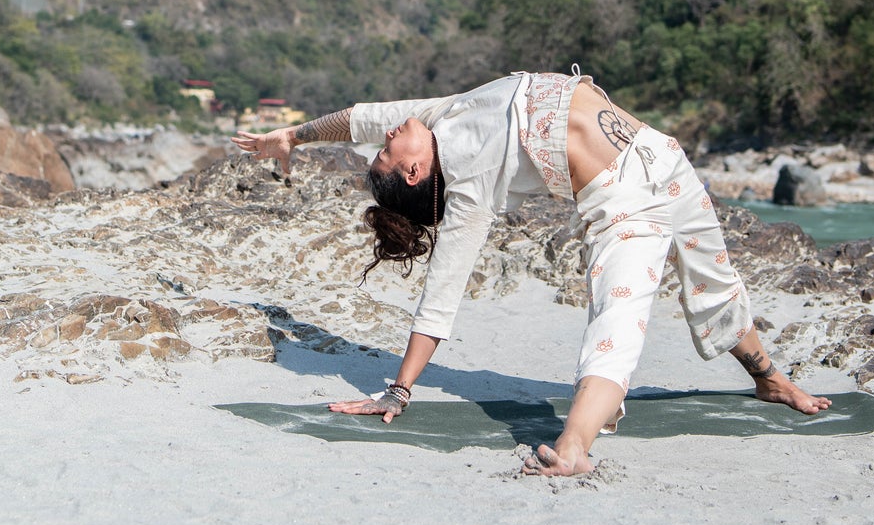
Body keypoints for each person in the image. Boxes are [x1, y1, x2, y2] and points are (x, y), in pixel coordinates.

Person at [233, 69, 830, 477]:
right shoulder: (468, 189)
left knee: (716, 282)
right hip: (622, 200)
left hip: (661, 156)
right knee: (617, 318)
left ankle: (769, 378)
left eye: (384, 147)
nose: (387, 138)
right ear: (411, 173)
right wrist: (399, 388)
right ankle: (574, 448)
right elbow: (441, 295)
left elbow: (363, 118)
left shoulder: (439, 115)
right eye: (387, 153)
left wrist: (293, 134)